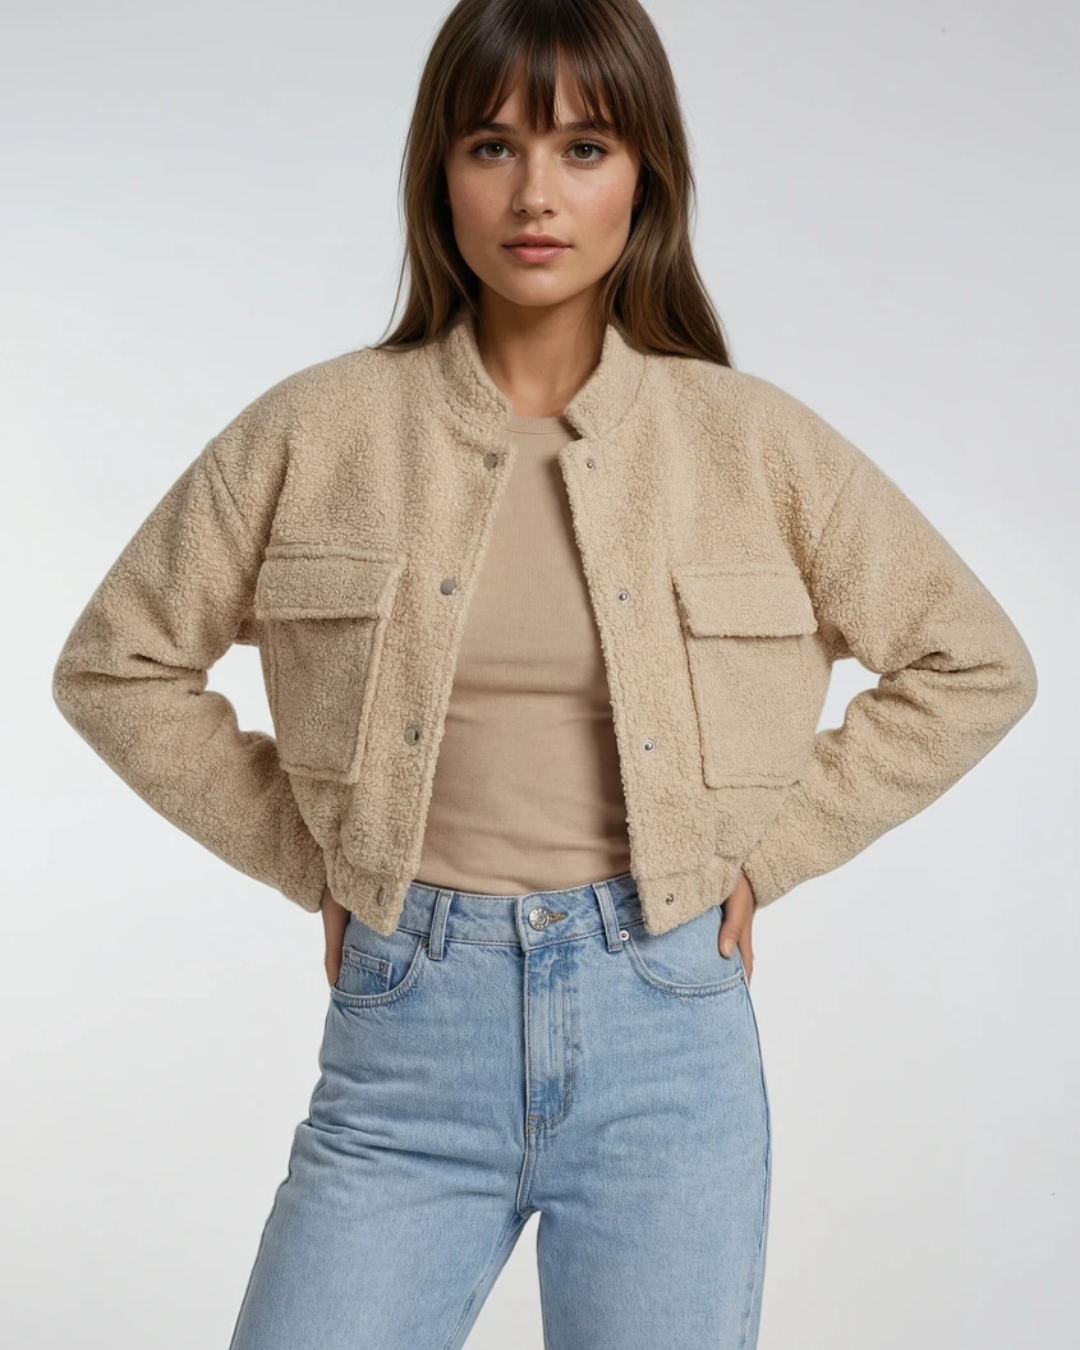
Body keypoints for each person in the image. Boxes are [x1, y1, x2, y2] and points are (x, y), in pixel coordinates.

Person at [50, 1, 1038, 1346]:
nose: (534, 194)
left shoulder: (751, 444)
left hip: (666, 1036)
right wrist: (319, 854)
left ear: (645, 178)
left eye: (583, 148)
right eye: (491, 145)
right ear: (438, 174)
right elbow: (117, 664)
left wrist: (763, 853)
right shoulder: (318, 431)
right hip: (408, 1037)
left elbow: (972, 660)